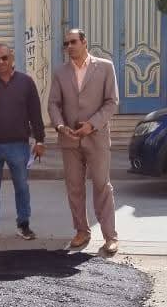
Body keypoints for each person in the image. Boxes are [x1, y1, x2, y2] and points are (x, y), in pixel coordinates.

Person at [48, 28, 119, 254]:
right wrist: (60, 126)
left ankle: (110, 236)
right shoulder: (60, 72)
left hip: (96, 137)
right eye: (66, 44)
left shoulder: (105, 67)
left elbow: (111, 102)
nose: (69, 47)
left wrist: (92, 124)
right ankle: (81, 231)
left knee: (102, 185)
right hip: (70, 139)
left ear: (84, 42)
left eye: (73, 42)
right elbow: (53, 103)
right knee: (74, 187)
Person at [0, 43, 45, 241]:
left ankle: (23, 224)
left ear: (12, 58)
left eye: (4, 58)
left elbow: (35, 114)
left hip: (19, 146)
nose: (1, 62)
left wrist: (40, 140)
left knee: (21, 186)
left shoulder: (26, 83)